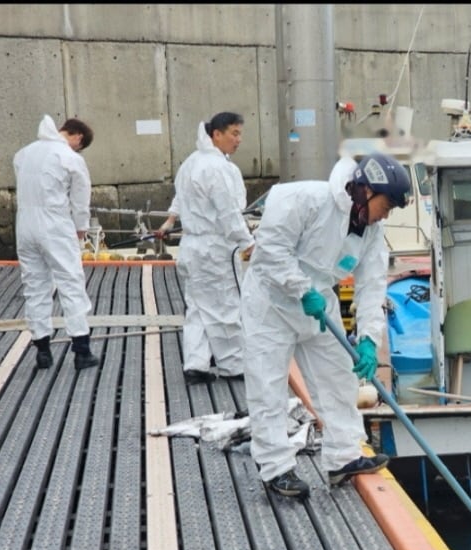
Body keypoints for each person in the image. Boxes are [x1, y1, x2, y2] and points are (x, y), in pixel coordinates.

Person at [240, 153, 412, 499]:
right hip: (271, 302)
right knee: (268, 384)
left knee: (338, 375)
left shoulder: (372, 231)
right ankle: (276, 469)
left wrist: (366, 339)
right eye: (387, 204)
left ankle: (343, 456)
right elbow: (272, 250)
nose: (387, 214)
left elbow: (372, 284)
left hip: (319, 303)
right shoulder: (305, 198)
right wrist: (300, 288)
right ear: (365, 190)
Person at [157, 112, 253, 384]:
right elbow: (229, 213)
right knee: (226, 306)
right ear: (217, 135)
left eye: (240, 134)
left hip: (191, 246)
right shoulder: (218, 168)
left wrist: (170, 221)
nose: (238, 140)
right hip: (215, 247)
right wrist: (248, 243)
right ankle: (234, 364)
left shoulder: (191, 162)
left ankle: (196, 363)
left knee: (198, 307)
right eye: (234, 133)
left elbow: (180, 197)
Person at [14, 114, 99, 371]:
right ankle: (82, 351)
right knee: (70, 283)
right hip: (55, 225)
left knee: (35, 285)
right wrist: (81, 228)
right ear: (78, 137)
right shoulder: (70, 158)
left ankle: (42, 351)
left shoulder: (23, 154)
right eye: (80, 145)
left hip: (25, 225)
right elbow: (80, 199)